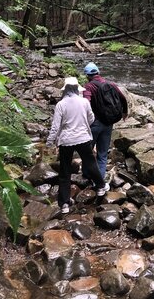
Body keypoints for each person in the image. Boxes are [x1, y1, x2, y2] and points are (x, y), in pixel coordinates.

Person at [46, 76, 110, 214]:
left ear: (65, 89)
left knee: (65, 172)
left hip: (66, 141)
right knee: (91, 163)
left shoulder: (61, 104)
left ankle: (64, 204)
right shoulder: (84, 102)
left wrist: (49, 142)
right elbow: (91, 118)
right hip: (83, 138)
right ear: (76, 89)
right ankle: (101, 186)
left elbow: (55, 127)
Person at [82, 62, 128, 180]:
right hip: (108, 122)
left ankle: (87, 175)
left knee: (87, 152)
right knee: (102, 155)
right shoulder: (110, 84)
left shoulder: (89, 86)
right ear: (98, 72)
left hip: (94, 124)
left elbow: (86, 102)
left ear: (87, 75)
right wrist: (124, 112)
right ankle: (99, 181)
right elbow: (122, 98)